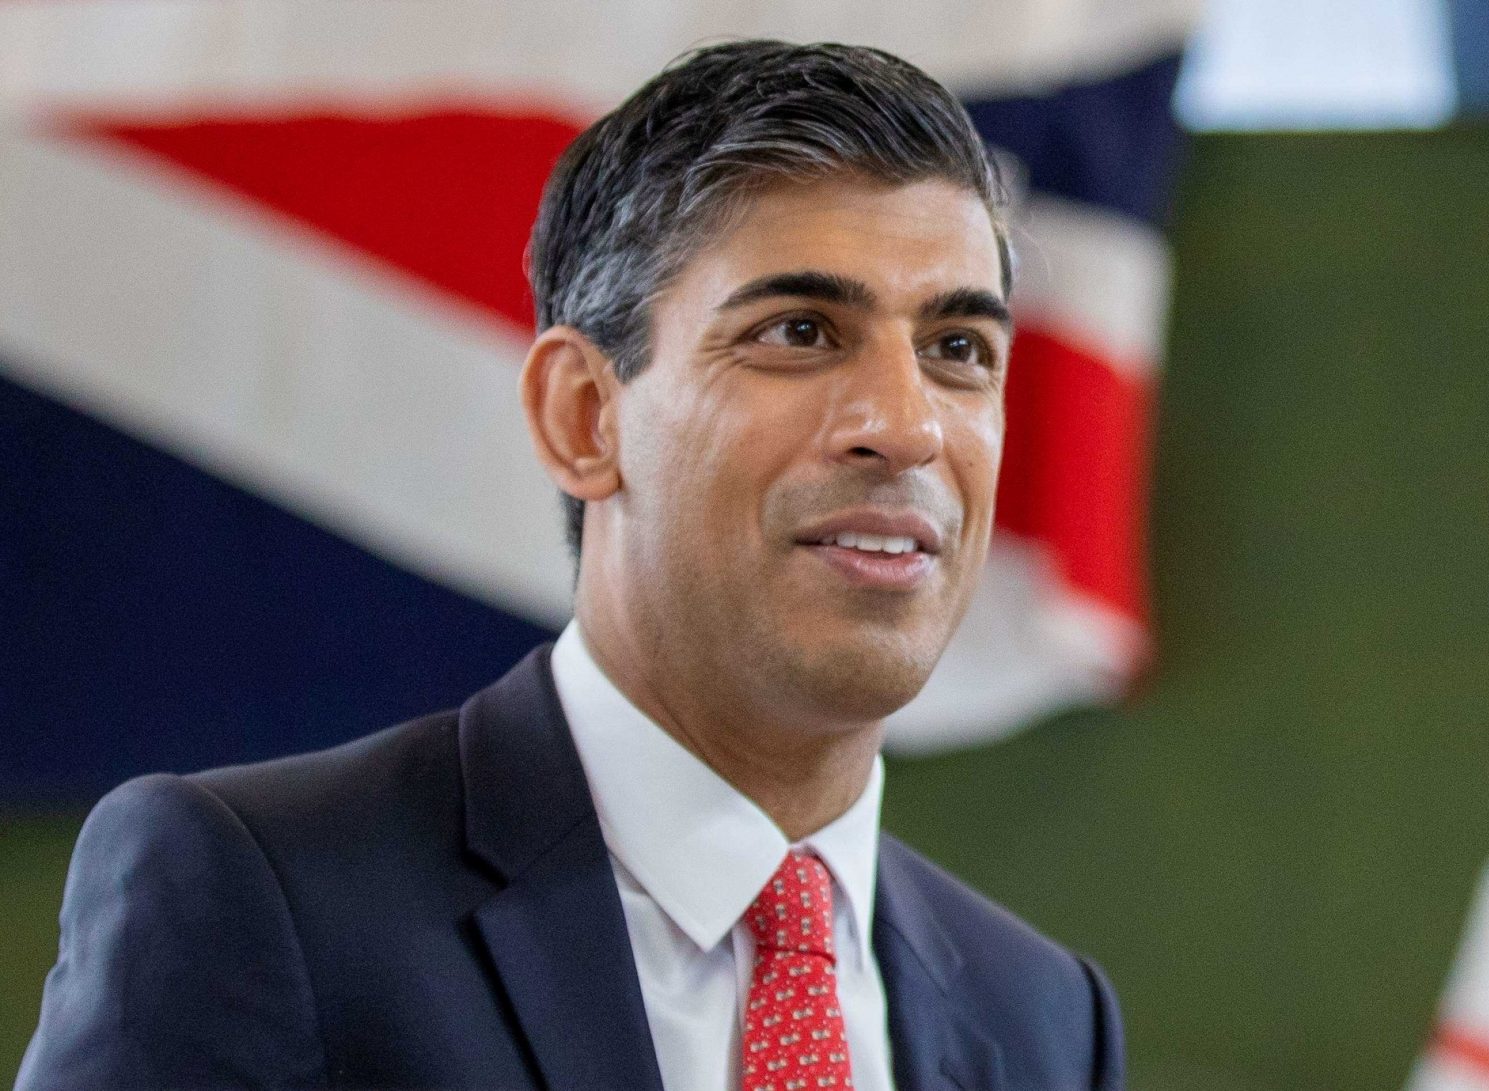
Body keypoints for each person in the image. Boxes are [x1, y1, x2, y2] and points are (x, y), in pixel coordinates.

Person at [19, 40, 1123, 1091]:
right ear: (585, 415)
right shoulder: (259, 894)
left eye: (958, 350)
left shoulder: (1045, 1019)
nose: (908, 425)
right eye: (799, 331)